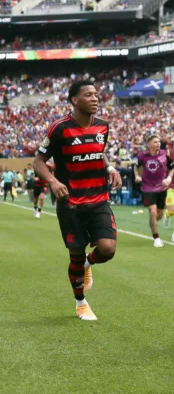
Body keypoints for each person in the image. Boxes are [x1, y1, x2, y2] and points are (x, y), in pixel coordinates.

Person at [33, 80, 122, 321]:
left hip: (99, 199)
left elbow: (98, 152)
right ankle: (81, 302)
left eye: (96, 94)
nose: (95, 98)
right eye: (89, 95)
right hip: (70, 204)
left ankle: (86, 264)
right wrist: (52, 181)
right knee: (74, 252)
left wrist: (111, 167)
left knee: (108, 249)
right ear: (75, 100)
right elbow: (38, 161)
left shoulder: (103, 127)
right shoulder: (59, 128)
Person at [135, 135, 174, 248]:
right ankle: (156, 238)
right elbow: (136, 167)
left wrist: (169, 178)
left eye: (158, 142)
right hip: (148, 187)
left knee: (159, 214)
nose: (158, 144)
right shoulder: (142, 156)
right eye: (155, 142)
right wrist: (137, 176)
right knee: (152, 211)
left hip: (162, 187)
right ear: (149, 144)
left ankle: (153, 224)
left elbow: (172, 168)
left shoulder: (165, 154)